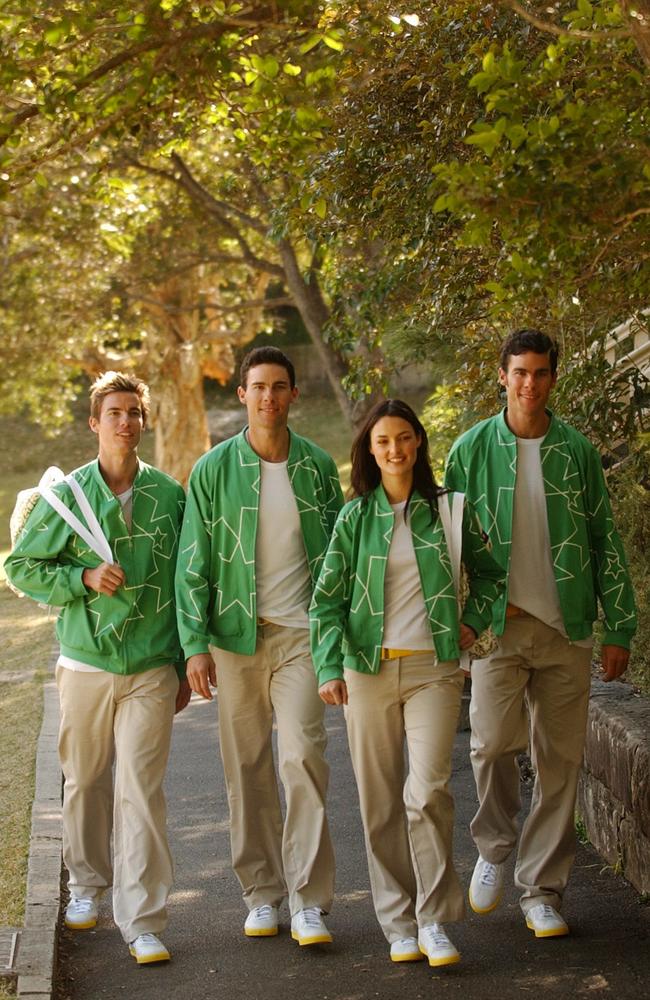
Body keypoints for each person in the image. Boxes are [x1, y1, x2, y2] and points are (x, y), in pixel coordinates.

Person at [445, 328, 637, 938]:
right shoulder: (471, 450)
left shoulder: (576, 450)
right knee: (491, 744)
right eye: (519, 372)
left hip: (566, 630)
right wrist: (450, 624)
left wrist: (620, 624)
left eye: (540, 373)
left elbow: (604, 537)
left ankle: (542, 891)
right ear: (501, 376)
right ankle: (494, 844)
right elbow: (447, 546)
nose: (530, 383)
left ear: (553, 378)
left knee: (561, 764)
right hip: (498, 629)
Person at [310, 399, 504, 966]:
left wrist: (472, 621)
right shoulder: (354, 517)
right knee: (379, 803)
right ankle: (397, 921)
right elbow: (325, 603)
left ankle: (435, 921)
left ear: (418, 442)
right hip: (366, 674)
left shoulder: (450, 510)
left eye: (402, 438)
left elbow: (492, 576)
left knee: (428, 794)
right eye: (382, 442)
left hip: (433, 672)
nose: (394, 449)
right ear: (370, 452)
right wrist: (327, 667)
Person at [5, 371, 190, 965]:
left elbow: (187, 583)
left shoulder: (170, 496)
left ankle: (143, 920)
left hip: (152, 668)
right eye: (114, 413)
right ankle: (85, 886)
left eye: (134, 413)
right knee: (85, 781)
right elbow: (21, 568)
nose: (125, 422)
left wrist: (186, 661)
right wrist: (80, 579)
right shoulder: (66, 496)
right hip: (84, 665)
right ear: (94, 422)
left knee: (141, 791)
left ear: (144, 421)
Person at [175, 346, 343, 945]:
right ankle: (263, 893)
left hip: (302, 636)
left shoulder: (319, 467)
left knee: (302, 759)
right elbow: (192, 563)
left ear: (294, 394)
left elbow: (338, 559)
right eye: (257, 387)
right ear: (241, 395)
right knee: (245, 769)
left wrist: (340, 639)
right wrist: (194, 645)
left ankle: (309, 901)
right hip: (235, 641)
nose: (268, 396)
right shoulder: (213, 469)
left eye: (279, 386)